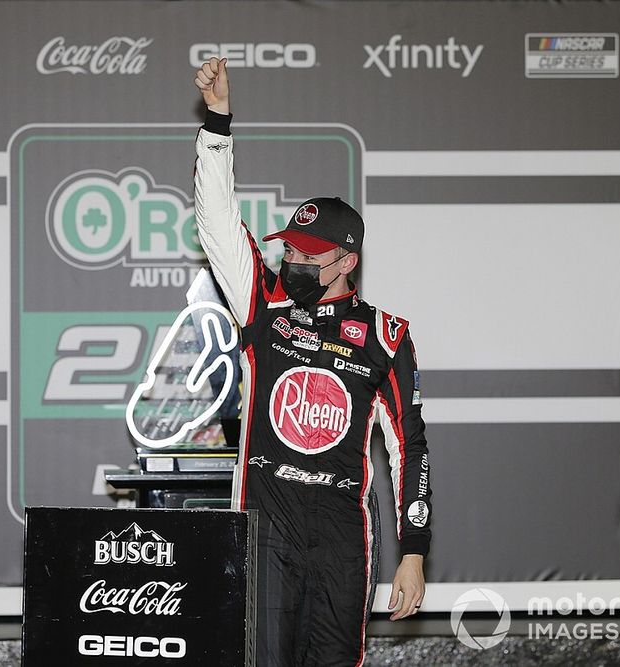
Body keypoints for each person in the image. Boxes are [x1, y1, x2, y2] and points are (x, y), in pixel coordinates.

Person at [193, 57, 432, 666]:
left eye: (308, 254)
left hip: (342, 531)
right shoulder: (264, 304)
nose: (292, 262)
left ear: (346, 261)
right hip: (266, 522)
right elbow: (218, 222)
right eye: (290, 250)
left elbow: (410, 445)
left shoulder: (385, 334)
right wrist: (217, 124)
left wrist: (414, 550)